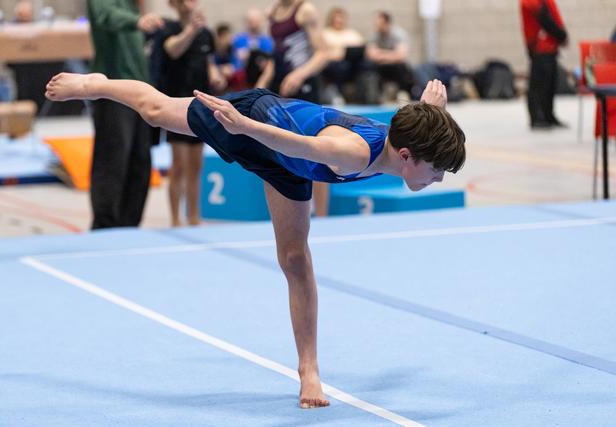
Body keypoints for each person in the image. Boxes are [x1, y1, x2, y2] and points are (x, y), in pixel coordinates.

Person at [45, 72, 465, 409]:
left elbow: (407, 127)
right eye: (437, 170)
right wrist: (244, 125)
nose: (438, 178)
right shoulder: (352, 152)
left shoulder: (407, 137)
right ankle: (95, 84)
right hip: (255, 125)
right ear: (407, 156)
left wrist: (431, 112)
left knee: (295, 260)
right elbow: (299, 144)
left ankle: (309, 370)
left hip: (292, 168)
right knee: (155, 112)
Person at [86, 0, 163, 229]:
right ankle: (105, 224)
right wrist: (137, 21)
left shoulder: (132, 6)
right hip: (112, 89)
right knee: (113, 158)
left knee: (141, 159)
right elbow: (105, 16)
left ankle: (131, 223)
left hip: (139, 89)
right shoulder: (113, 8)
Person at [150, 0, 225, 227]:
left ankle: (194, 216)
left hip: (200, 103)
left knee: (196, 164)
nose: (188, 4)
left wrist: (216, 74)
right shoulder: (168, 28)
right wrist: (191, 29)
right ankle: (175, 218)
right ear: (174, 4)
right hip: (176, 102)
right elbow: (173, 50)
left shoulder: (206, 34)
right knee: (179, 164)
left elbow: (208, 60)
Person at [260, 0, 330, 217]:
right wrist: (260, 85)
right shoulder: (272, 12)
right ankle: (293, 212)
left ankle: (322, 215)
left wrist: (300, 74)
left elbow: (323, 53)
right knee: (282, 149)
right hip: (282, 87)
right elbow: (276, 55)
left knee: (317, 152)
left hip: (304, 86)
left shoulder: (305, 10)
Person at [520, 0, 568, 129]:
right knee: (538, 85)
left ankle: (548, 115)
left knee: (550, 84)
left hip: (550, 46)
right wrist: (561, 35)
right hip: (540, 47)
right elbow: (544, 18)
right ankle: (537, 117)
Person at [365, 11, 416, 102]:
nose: (377, 26)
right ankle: (377, 95)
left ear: (387, 23)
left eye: (379, 24)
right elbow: (371, 54)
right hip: (380, 65)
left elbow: (401, 55)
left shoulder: (398, 34)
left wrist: (381, 54)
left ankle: (403, 93)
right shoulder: (374, 35)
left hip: (395, 65)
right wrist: (391, 54)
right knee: (369, 66)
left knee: (402, 67)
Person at [321, 7, 365, 104]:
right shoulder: (325, 33)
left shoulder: (352, 33)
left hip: (352, 64)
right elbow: (321, 53)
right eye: (337, 18)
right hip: (333, 64)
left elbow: (362, 49)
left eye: (341, 18)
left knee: (367, 65)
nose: (339, 20)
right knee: (341, 66)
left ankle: (365, 95)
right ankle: (337, 94)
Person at [232, 9, 274, 88]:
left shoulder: (267, 41)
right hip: (242, 80)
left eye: (256, 21)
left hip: (261, 79)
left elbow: (270, 62)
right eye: (251, 21)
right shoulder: (238, 40)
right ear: (246, 22)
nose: (254, 24)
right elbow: (234, 62)